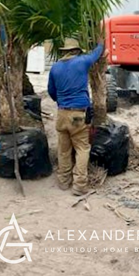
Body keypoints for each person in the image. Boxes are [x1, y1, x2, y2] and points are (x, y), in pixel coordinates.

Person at [47, 38, 105, 196]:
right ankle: (79, 185)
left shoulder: (55, 67)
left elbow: (51, 91)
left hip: (62, 113)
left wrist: (61, 101)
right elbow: (96, 54)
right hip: (78, 114)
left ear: (64, 52)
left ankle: (63, 181)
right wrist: (101, 43)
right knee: (82, 148)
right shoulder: (82, 61)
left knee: (64, 150)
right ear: (76, 51)